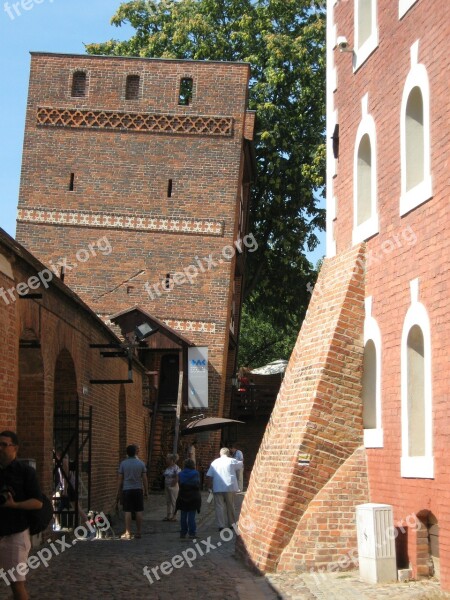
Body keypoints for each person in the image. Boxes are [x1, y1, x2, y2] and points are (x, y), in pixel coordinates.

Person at [0, 430, 43, 600]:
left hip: (15, 534)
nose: (0, 448)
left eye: (4, 444)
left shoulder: (25, 472)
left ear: (15, 448)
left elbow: (38, 502)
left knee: (17, 584)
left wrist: (14, 504)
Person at [205, 447, 243, 531]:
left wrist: (209, 486)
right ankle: (232, 524)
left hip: (217, 486)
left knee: (219, 506)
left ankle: (221, 525)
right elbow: (241, 464)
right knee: (230, 505)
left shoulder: (215, 462)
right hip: (229, 486)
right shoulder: (231, 460)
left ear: (220, 453)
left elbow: (209, 476)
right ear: (228, 453)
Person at [116, 444, 148, 539]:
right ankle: (138, 532)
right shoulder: (141, 463)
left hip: (127, 489)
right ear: (135, 452)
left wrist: (118, 491)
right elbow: (145, 478)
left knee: (128, 511)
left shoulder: (123, 464)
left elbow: (120, 479)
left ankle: (128, 532)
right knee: (139, 510)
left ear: (127, 453)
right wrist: (146, 491)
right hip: (138, 489)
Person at [175, 458, 201, 539]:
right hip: (193, 496)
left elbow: (179, 483)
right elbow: (197, 484)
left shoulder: (180, 474)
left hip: (183, 495)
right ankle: (192, 533)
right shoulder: (196, 473)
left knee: (183, 515)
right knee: (191, 516)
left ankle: (183, 532)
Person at [162, 453, 180, 522]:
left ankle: (174, 516)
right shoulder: (168, 467)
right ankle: (168, 515)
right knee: (168, 501)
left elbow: (177, 476)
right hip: (167, 486)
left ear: (172, 460)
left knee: (173, 501)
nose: (166, 460)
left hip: (173, 487)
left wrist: (173, 483)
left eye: (167, 459)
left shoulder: (176, 467)